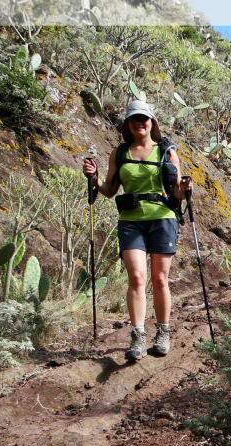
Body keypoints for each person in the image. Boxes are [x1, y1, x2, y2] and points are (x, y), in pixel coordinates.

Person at [82, 99, 192, 362]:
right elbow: (109, 191)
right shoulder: (119, 154)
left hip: (163, 218)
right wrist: (94, 178)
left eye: (144, 118)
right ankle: (138, 335)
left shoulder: (166, 152)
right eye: (135, 119)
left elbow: (176, 191)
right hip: (131, 220)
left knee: (160, 279)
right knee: (137, 277)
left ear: (152, 122)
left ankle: (163, 332)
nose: (140, 123)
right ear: (128, 124)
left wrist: (185, 189)